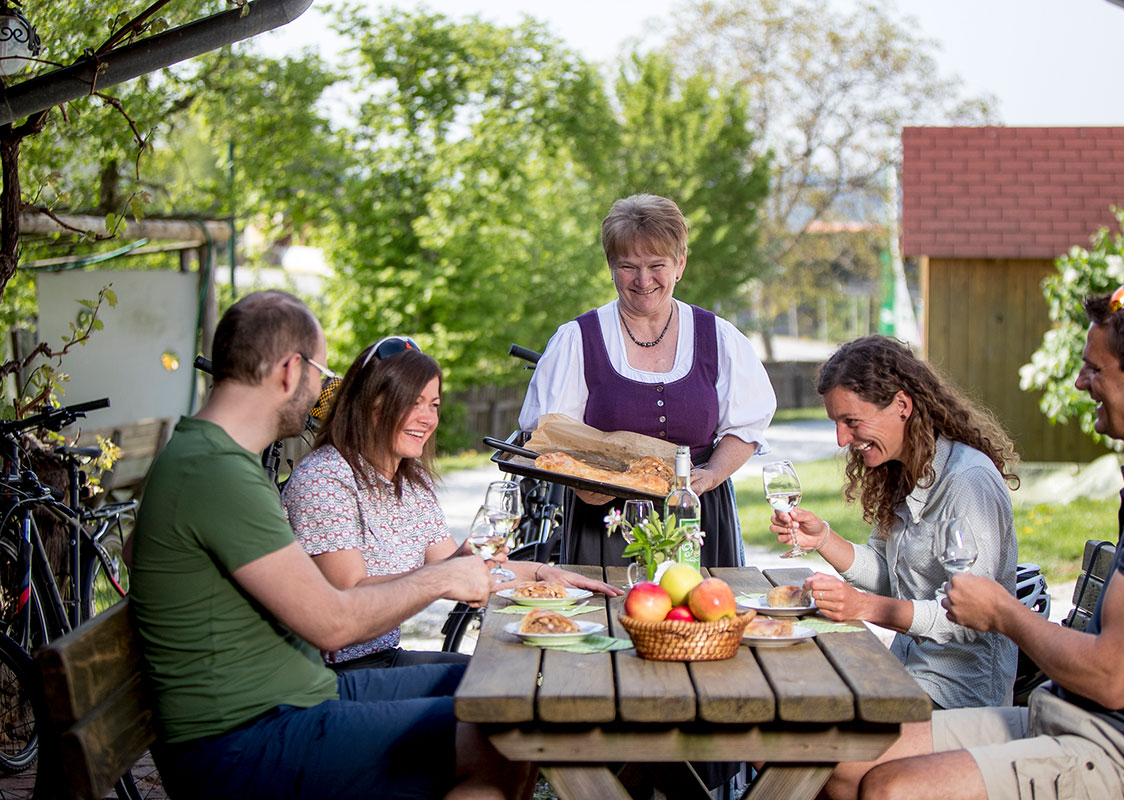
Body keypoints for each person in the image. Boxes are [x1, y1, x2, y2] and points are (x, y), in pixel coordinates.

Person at [130, 290, 531, 800]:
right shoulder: (214, 471)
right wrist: (443, 577)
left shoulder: (211, 460)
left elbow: (142, 550)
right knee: (500, 732)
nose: (326, 387)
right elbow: (336, 623)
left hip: (293, 700)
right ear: (289, 370)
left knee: (504, 697)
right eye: (320, 371)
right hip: (245, 740)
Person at [829, 282, 1124, 800]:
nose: (1078, 381)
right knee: (842, 766)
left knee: (894, 789)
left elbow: (1113, 676)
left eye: (1095, 369)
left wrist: (1004, 613)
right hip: (1066, 714)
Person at [283, 336, 620, 669]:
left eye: (434, 405)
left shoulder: (410, 482)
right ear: (369, 403)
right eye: (412, 402)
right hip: (329, 675)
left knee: (506, 674)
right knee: (491, 690)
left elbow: (451, 564)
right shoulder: (326, 480)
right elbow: (348, 596)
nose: (427, 418)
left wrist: (543, 573)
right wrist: (443, 576)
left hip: (383, 658)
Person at [518, 193, 776, 569]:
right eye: (628, 266)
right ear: (610, 266)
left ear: (680, 265)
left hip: (697, 518)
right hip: (605, 523)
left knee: (703, 624)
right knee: (606, 624)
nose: (643, 280)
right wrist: (586, 485)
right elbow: (546, 435)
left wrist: (712, 475)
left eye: (657, 265)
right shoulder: (577, 339)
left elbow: (746, 425)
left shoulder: (718, 337)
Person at [770, 335, 1019, 710]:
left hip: (960, 694)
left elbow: (968, 618)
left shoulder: (968, 480)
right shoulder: (906, 473)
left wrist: (865, 607)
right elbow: (892, 577)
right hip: (908, 669)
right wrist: (823, 539)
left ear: (902, 405)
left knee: (795, 729)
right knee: (787, 701)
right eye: (836, 423)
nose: (841, 439)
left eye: (851, 421)